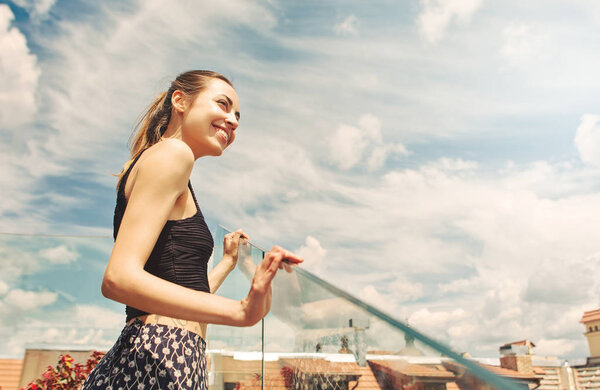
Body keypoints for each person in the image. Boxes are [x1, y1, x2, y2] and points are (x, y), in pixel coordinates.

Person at [82, 70, 303, 390]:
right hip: (161, 353)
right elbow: (118, 278)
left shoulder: (165, 161)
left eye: (237, 115)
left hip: (163, 351)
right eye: (223, 105)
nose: (233, 120)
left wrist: (227, 263)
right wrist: (240, 311)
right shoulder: (174, 154)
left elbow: (175, 292)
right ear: (179, 101)